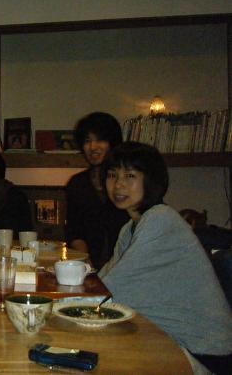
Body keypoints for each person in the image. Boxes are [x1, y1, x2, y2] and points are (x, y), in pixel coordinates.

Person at [98, 142, 232, 375]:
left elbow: (110, 292)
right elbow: (102, 282)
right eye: (112, 175)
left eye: (130, 175)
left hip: (204, 354)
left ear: (151, 180)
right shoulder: (131, 227)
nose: (118, 184)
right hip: (172, 342)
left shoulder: (160, 221)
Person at [65, 112, 130, 269]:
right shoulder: (77, 183)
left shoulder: (128, 182)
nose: (93, 147)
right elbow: (75, 231)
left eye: (100, 140)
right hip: (89, 265)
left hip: (128, 263)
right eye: (87, 141)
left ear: (112, 142)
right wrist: (86, 262)